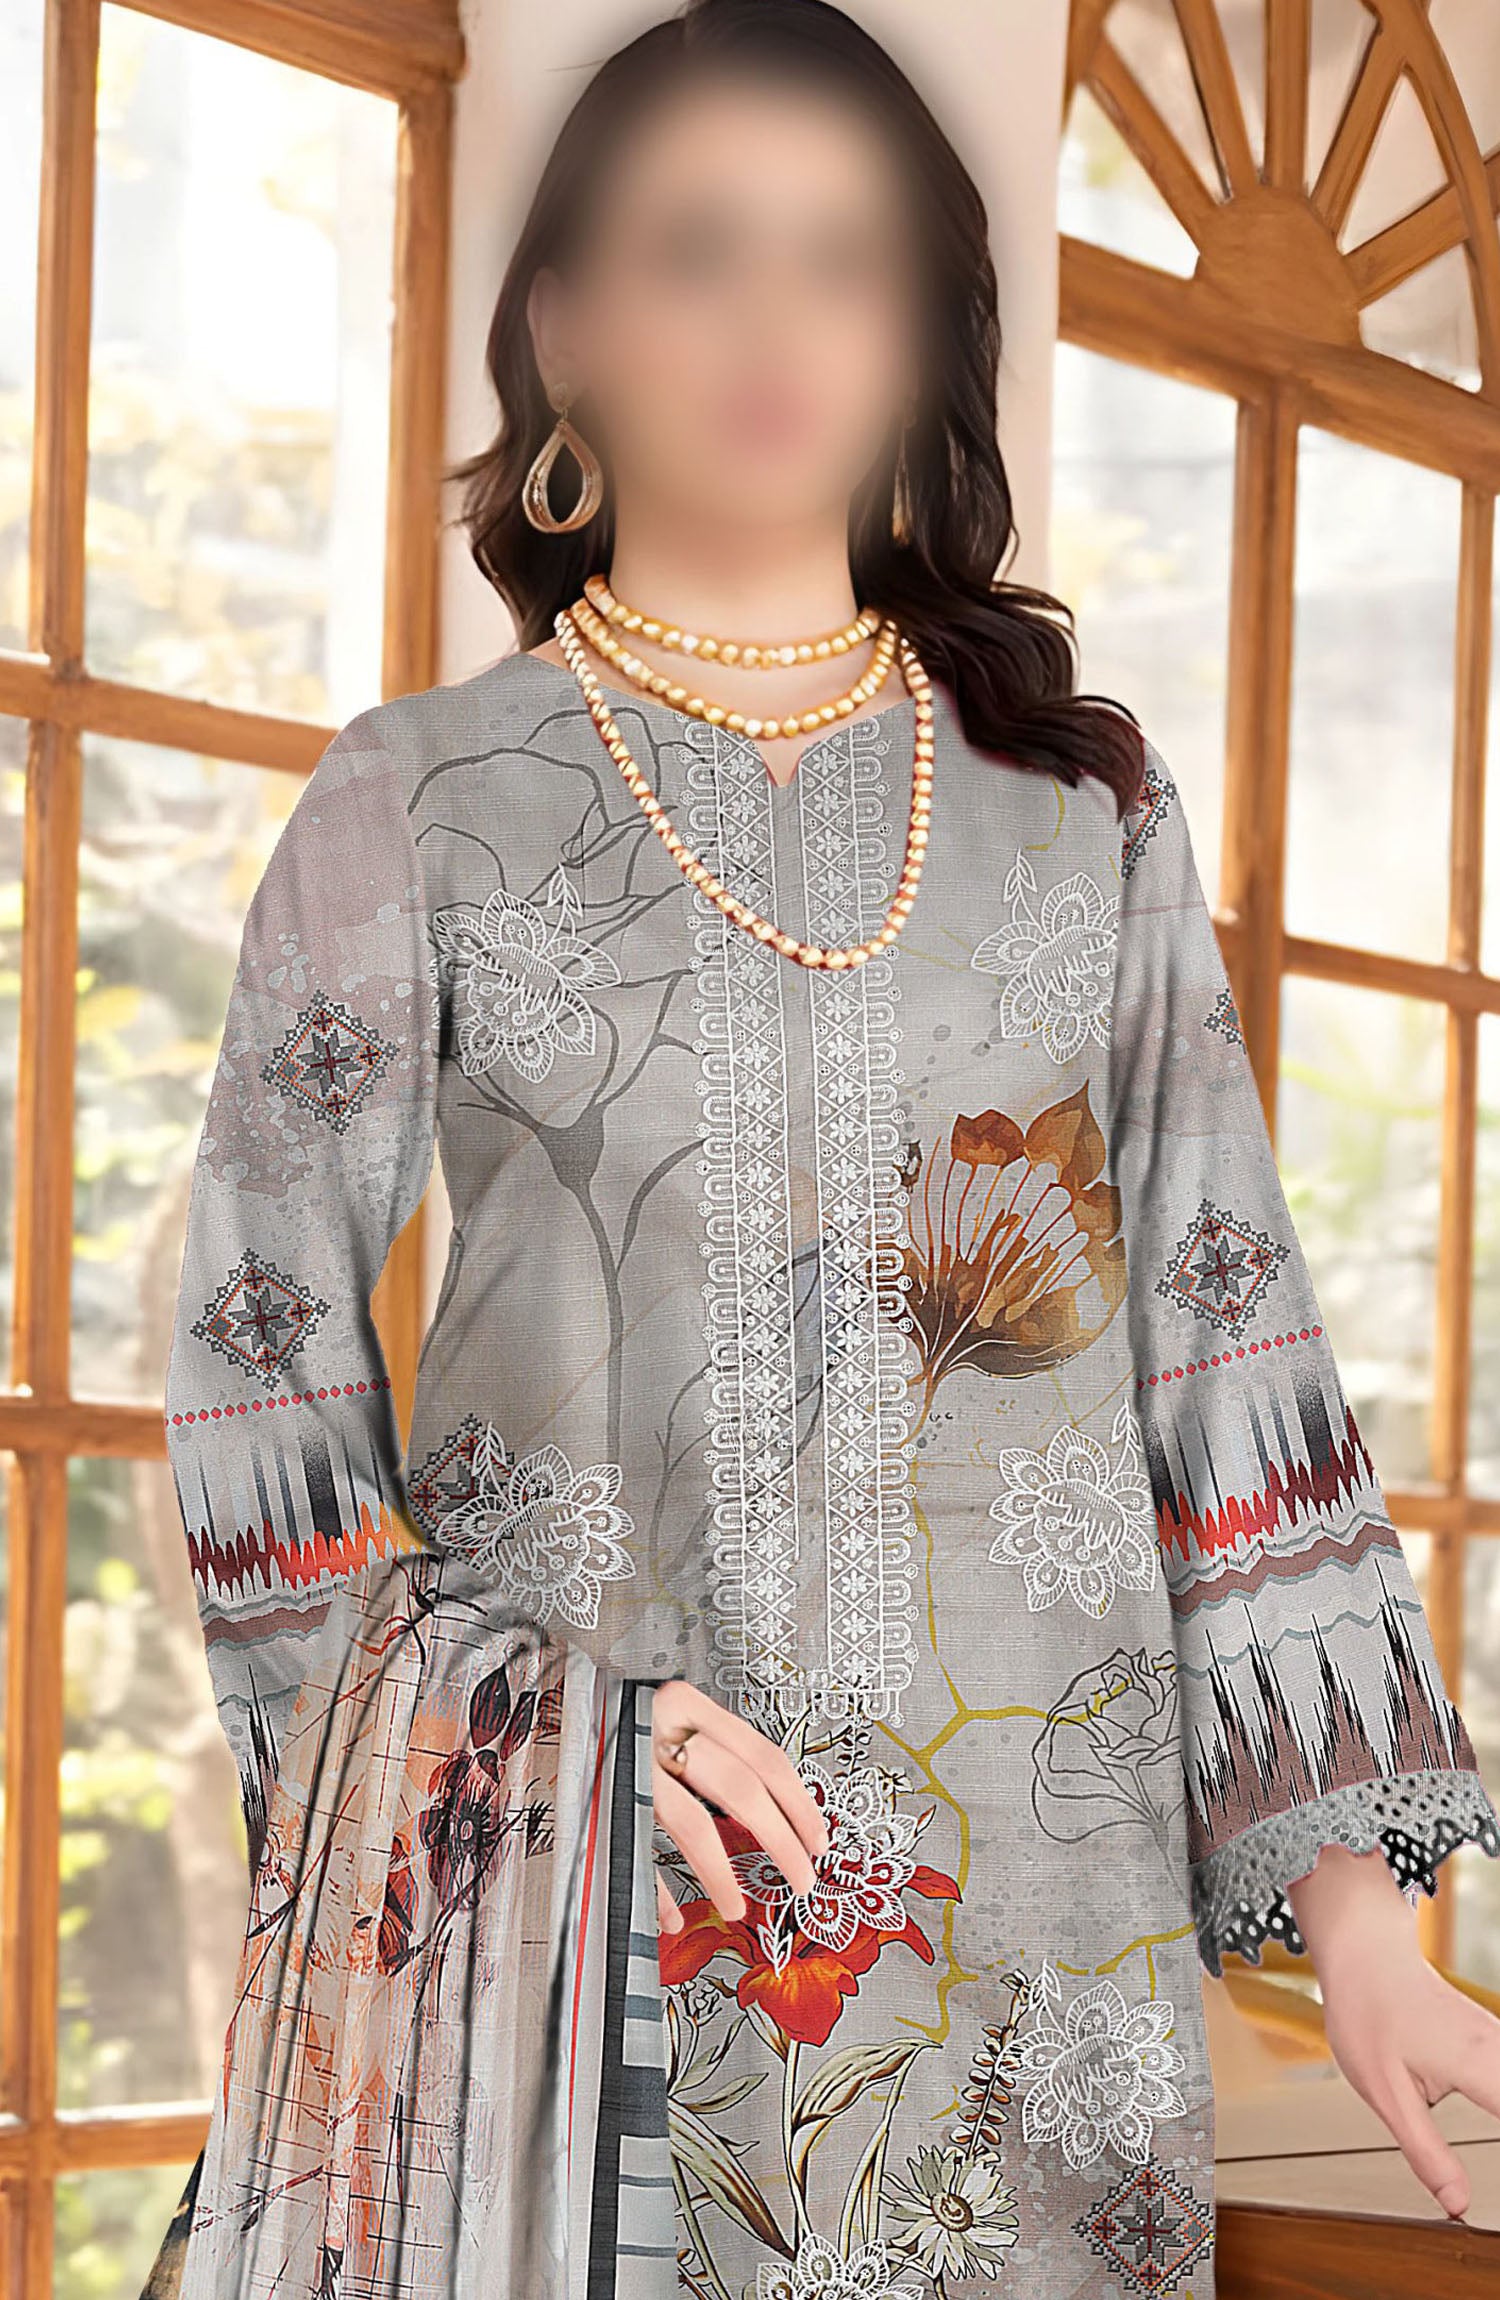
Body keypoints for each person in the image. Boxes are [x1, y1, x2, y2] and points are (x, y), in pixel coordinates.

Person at [146, 4, 1500, 2295]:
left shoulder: (1082, 812)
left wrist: (1362, 1921)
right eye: (699, 252)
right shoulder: (420, 803)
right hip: (601, 1938)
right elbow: (253, 1368)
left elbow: (1226, 1334)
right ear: (561, 327)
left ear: (922, 335)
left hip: (1049, 1974)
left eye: (844, 262)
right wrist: (539, 1746)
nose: (777, 327)